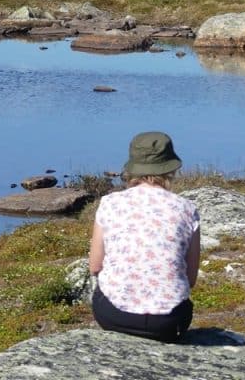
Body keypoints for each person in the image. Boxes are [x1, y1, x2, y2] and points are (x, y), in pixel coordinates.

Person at [88, 131, 201, 343]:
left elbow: (95, 266)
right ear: (171, 167)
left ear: (132, 168)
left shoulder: (109, 204)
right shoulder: (187, 209)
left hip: (113, 316)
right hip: (170, 322)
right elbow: (191, 278)